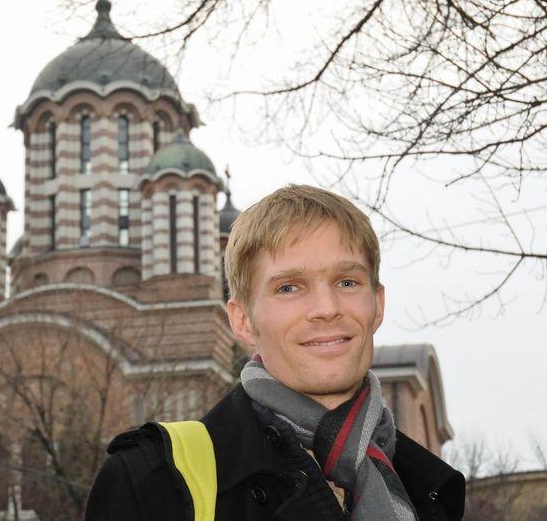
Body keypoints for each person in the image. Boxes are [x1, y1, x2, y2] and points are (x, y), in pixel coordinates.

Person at [85, 185, 465, 520]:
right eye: (288, 288)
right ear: (243, 321)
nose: (326, 307)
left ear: (377, 305)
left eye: (347, 281)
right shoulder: (155, 483)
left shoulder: (426, 487)